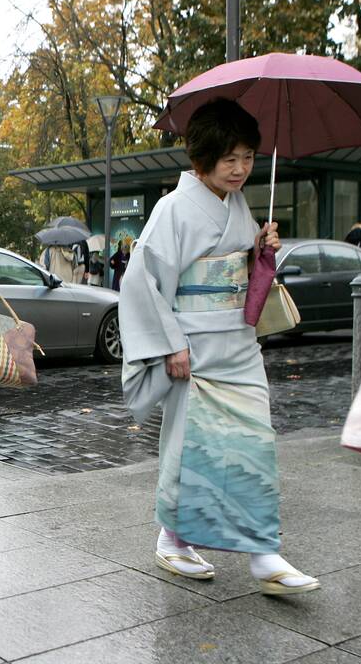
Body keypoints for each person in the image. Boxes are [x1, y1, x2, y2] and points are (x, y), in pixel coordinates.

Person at [119, 99, 319, 596]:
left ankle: (262, 552)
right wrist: (170, 344)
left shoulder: (240, 206)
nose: (240, 168)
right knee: (195, 448)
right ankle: (173, 538)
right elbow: (142, 283)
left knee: (254, 441)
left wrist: (259, 251)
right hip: (194, 348)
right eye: (229, 158)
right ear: (200, 157)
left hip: (239, 343)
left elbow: (240, 275)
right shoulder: (172, 209)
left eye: (248, 156)